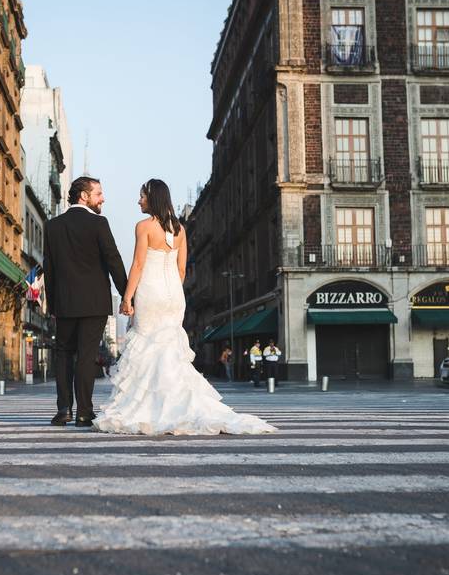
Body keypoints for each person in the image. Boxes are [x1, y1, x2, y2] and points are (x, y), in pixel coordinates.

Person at [93, 179, 276, 436]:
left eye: (142, 196)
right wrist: (172, 292)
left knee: (148, 347)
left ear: (153, 198)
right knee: (170, 349)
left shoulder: (144, 227)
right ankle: (180, 404)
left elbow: (137, 265)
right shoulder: (180, 229)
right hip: (174, 295)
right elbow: (181, 269)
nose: (139, 200)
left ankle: (151, 407)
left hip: (150, 291)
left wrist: (127, 298)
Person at [44, 177, 128, 427]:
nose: (103, 198)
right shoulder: (99, 224)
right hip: (94, 302)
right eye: (99, 193)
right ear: (83, 196)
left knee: (63, 354)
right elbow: (113, 260)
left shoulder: (53, 226)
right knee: (86, 356)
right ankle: (83, 412)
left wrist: (52, 305)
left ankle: (63, 410)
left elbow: (50, 268)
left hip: (65, 302)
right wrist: (127, 294)